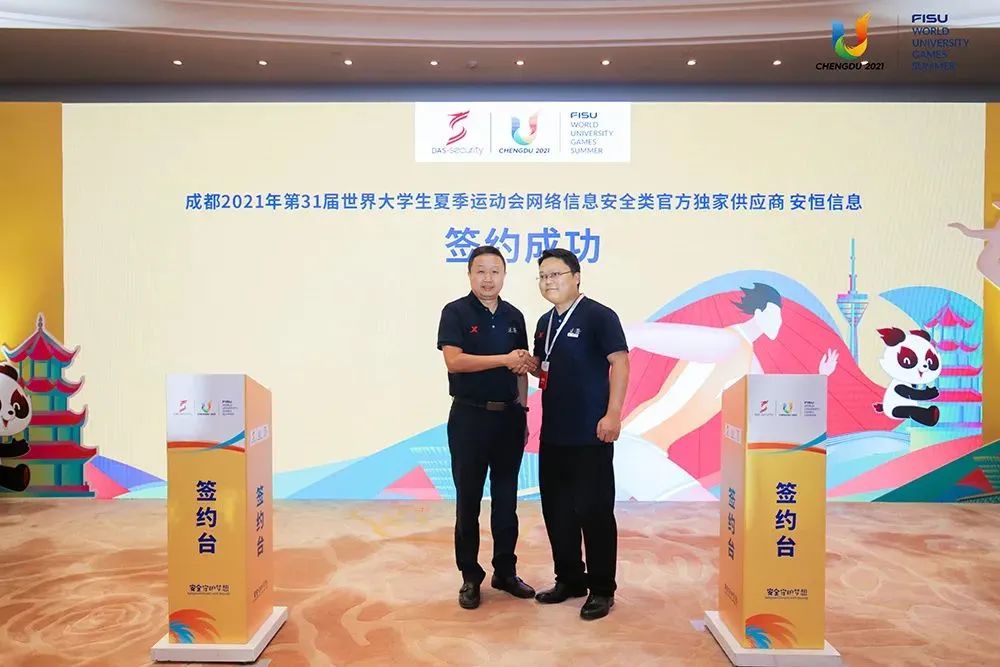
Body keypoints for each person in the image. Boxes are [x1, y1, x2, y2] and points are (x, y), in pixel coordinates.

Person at [529, 247, 629, 621]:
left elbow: (620, 363)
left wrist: (613, 414)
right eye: (543, 276)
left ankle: (602, 589)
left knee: (595, 512)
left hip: (591, 434)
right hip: (554, 434)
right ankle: (570, 579)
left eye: (555, 274)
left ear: (576, 277)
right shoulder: (545, 322)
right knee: (557, 512)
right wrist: (525, 363)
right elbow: (545, 368)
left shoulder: (600, 316)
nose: (548, 282)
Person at [436, 245, 538, 610]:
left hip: (509, 418)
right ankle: (470, 576)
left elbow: (520, 368)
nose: (488, 278)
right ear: (469, 274)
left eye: (495, 271)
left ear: (504, 275)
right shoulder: (455, 312)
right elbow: (455, 361)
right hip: (469, 418)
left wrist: (523, 409)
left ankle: (505, 572)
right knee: (468, 501)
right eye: (480, 271)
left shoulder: (514, 316)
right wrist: (504, 359)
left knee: (507, 501)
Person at [950, 209, 1000, 288]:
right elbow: (969, 233)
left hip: (988, 266)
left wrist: (960, 226)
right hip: (988, 266)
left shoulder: (995, 234)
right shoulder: (995, 234)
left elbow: (969, 233)